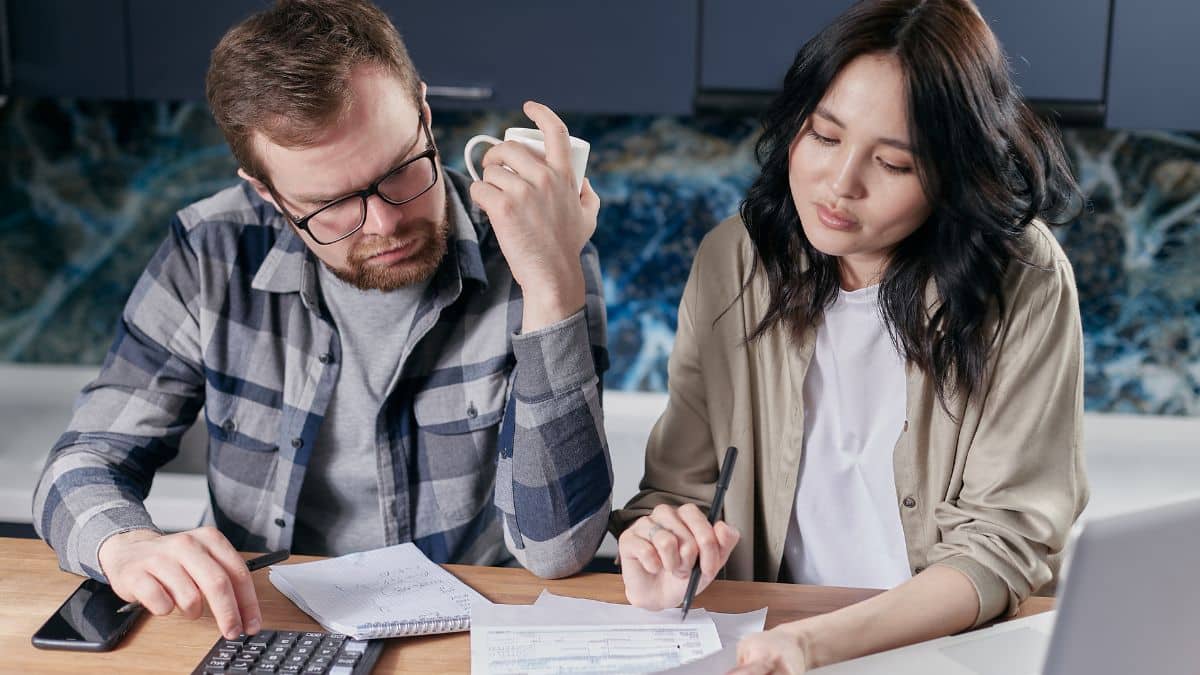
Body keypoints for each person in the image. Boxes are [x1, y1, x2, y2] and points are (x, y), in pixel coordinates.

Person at [33, 0, 612, 641]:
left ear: (423, 114)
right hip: (264, 629)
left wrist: (554, 284)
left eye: (399, 171)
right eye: (330, 206)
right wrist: (126, 545)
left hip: (462, 637)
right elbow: (83, 461)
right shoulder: (210, 250)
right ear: (267, 192)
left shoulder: (537, 244)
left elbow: (558, 549)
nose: (387, 223)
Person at [611, 0, 1088, 672]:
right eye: (824, 136)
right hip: (767, 640)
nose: (840, 184)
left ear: (951, 173)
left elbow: (1002, 545)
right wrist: (662, 549)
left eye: (893, 164)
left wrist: (813, 644)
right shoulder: (733, 261)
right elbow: (679, 490)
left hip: (945, 651)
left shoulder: (1025, 281)